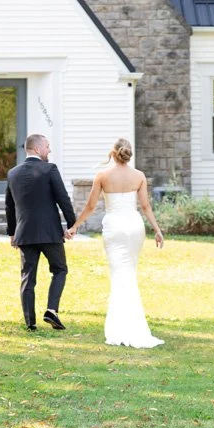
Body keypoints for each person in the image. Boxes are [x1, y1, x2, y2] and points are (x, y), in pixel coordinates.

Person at [66, 137, 164, 348]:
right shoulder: (138, 176)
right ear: (128, 154)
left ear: (113, 153)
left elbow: (90, 206)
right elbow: (145, 207)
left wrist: (75, 226)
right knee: (128, 272)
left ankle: (120, 326)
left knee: (120, 273)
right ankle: (132, 324)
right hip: (134, 226)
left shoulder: (102, 176)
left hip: (115, 227)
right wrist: (157, 230)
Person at [5, 132, 76, 332]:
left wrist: (12, 232)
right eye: (47, 146)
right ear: (37, 149)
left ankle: (30, 322)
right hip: (49, 232)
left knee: (28, 276)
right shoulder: (49, 169)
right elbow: (63, 199)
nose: (49, 150)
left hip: (25, 233)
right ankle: (51, 310)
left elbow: (9, 207)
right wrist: (72, 224)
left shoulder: (13, 173)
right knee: (60, 269)